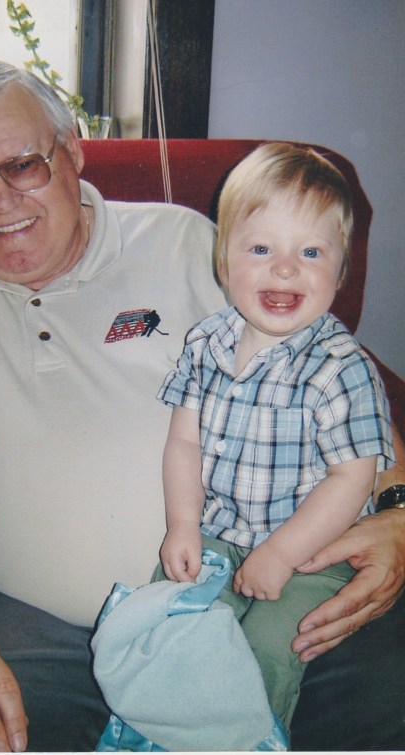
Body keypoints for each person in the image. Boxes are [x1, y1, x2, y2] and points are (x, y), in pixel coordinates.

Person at [0, 60, 405, 753]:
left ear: (72, 151)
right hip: (45, 635)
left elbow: (336, 369)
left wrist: (395, 511)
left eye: (23, 164)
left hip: (266, 574)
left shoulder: (181, 243)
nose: (0, 201)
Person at [156, 143, 394, 735]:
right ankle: (157, 734)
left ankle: (245, 739)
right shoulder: (205, 344)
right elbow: (184, 443)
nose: (284, 269)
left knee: (267, 647)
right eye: (260, 249)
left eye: (311, 252)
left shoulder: (341, 367)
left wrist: (284, 555)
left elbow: (353, 477)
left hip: (313, 552)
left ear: (340, 272)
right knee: (167, 623)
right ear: (224, 261)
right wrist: (183, 525)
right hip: (218, 532)